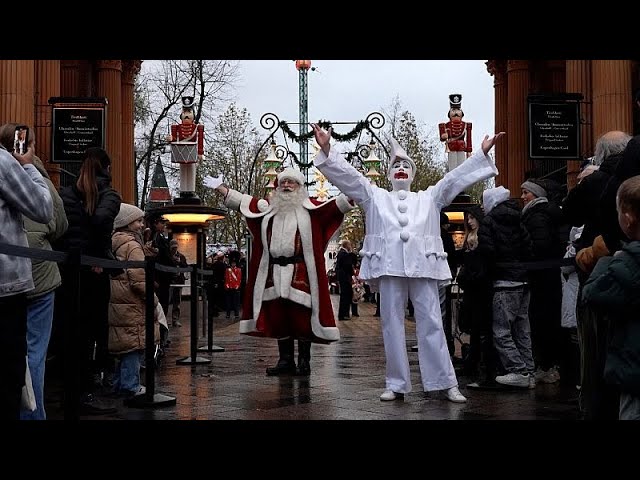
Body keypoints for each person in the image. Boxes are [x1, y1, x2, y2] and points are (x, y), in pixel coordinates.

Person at [312, 123, 504, 403]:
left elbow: (453, 180)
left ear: (412, 175)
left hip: (422, 267)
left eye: (406, 166)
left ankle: (445, 382)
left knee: (432, 323)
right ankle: (396, 383)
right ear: (389, 174)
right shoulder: (374, 196)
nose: (400, 169)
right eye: (395, 166)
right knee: (391, 325)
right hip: (389, 267)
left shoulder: (429, 197)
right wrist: (329, 149)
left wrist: (479, 155)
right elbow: (351, 178)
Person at [203, 167, 353, 376]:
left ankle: (303, 362)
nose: (287, 186)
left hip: (301, 273)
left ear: (300, 187)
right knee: (279, 316)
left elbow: (335, 206)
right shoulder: (268, 210)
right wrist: (222, 189)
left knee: (301, 318)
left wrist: (356, 187)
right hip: (273, 274)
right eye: (283, 182)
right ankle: (285, 361)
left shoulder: (311, 210)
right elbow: (246, 203)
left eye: (292, 182)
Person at [0, 123, 68, 420]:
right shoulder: (8, 164)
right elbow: (47, 212)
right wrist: (29, 167)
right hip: (12, 282)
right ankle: (33, 414)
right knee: (25, 361)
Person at [56, 146, 121, 415]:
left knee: (70, 333)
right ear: (106, 168)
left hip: (68, 272)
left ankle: (69, 393)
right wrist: (97, 256)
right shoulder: (109, 195)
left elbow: (60, 228)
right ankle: (86, 391)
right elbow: (100, 220)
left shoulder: (66, 194)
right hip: (94, 273)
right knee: (94, 333)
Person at [582, 175, 640, 420]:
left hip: (634, 369)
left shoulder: (625, 263)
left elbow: (593, 294)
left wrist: (608, 260)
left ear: (627, 219)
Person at [477, 186, 535, 389]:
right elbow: (528, 248)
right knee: (521, 329)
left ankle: (518, 371)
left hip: (503, 282)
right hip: (523, 280)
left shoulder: (489, 222)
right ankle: (529, 370)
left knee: (501, 331)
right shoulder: (519, 220)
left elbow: (487, 252)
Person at [109, 203, 161, 398]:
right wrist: (153, 299)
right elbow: (139, 280)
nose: (141, 225)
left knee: (123, 344)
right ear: (127, 223)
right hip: (132, 303)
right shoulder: (132, 245)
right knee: (135, 343)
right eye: (138, 221)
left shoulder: (116, 242)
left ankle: (119, 383)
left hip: (119, 301)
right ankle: (131, 385)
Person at [438, 94, 472, 172]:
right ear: (449, 114)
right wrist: (443, 136)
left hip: (461, 147)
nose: (456, 113)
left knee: (462, 167)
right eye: (453, 110)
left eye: (458, 110)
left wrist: (469, 151)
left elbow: (469, 138)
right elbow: (442, 136)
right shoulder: (446, 125)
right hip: (451, 147)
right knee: (452, 168)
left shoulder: (466, 125)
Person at [169, 239, 187, 327]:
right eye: (173, 248)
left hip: (179, 281)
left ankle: (175, 319)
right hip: (170, 281)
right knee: (166, 301)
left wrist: (180, 262)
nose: (174, 250)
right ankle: (164, 319)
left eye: (175, 248)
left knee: (177, 301)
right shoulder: (168, 257)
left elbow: (186, 267)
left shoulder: (181, 256)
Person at [335, 239, 355, 320]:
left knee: (345, 295)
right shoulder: (345, 254)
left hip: (342, 277)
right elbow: (348, 266)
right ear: (347, 245)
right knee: (346, 296)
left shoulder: (341, 253)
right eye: (350, 245)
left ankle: (343, 314)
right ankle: (344, 314)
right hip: (345, 277)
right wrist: (352, 274)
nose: (350, 247)